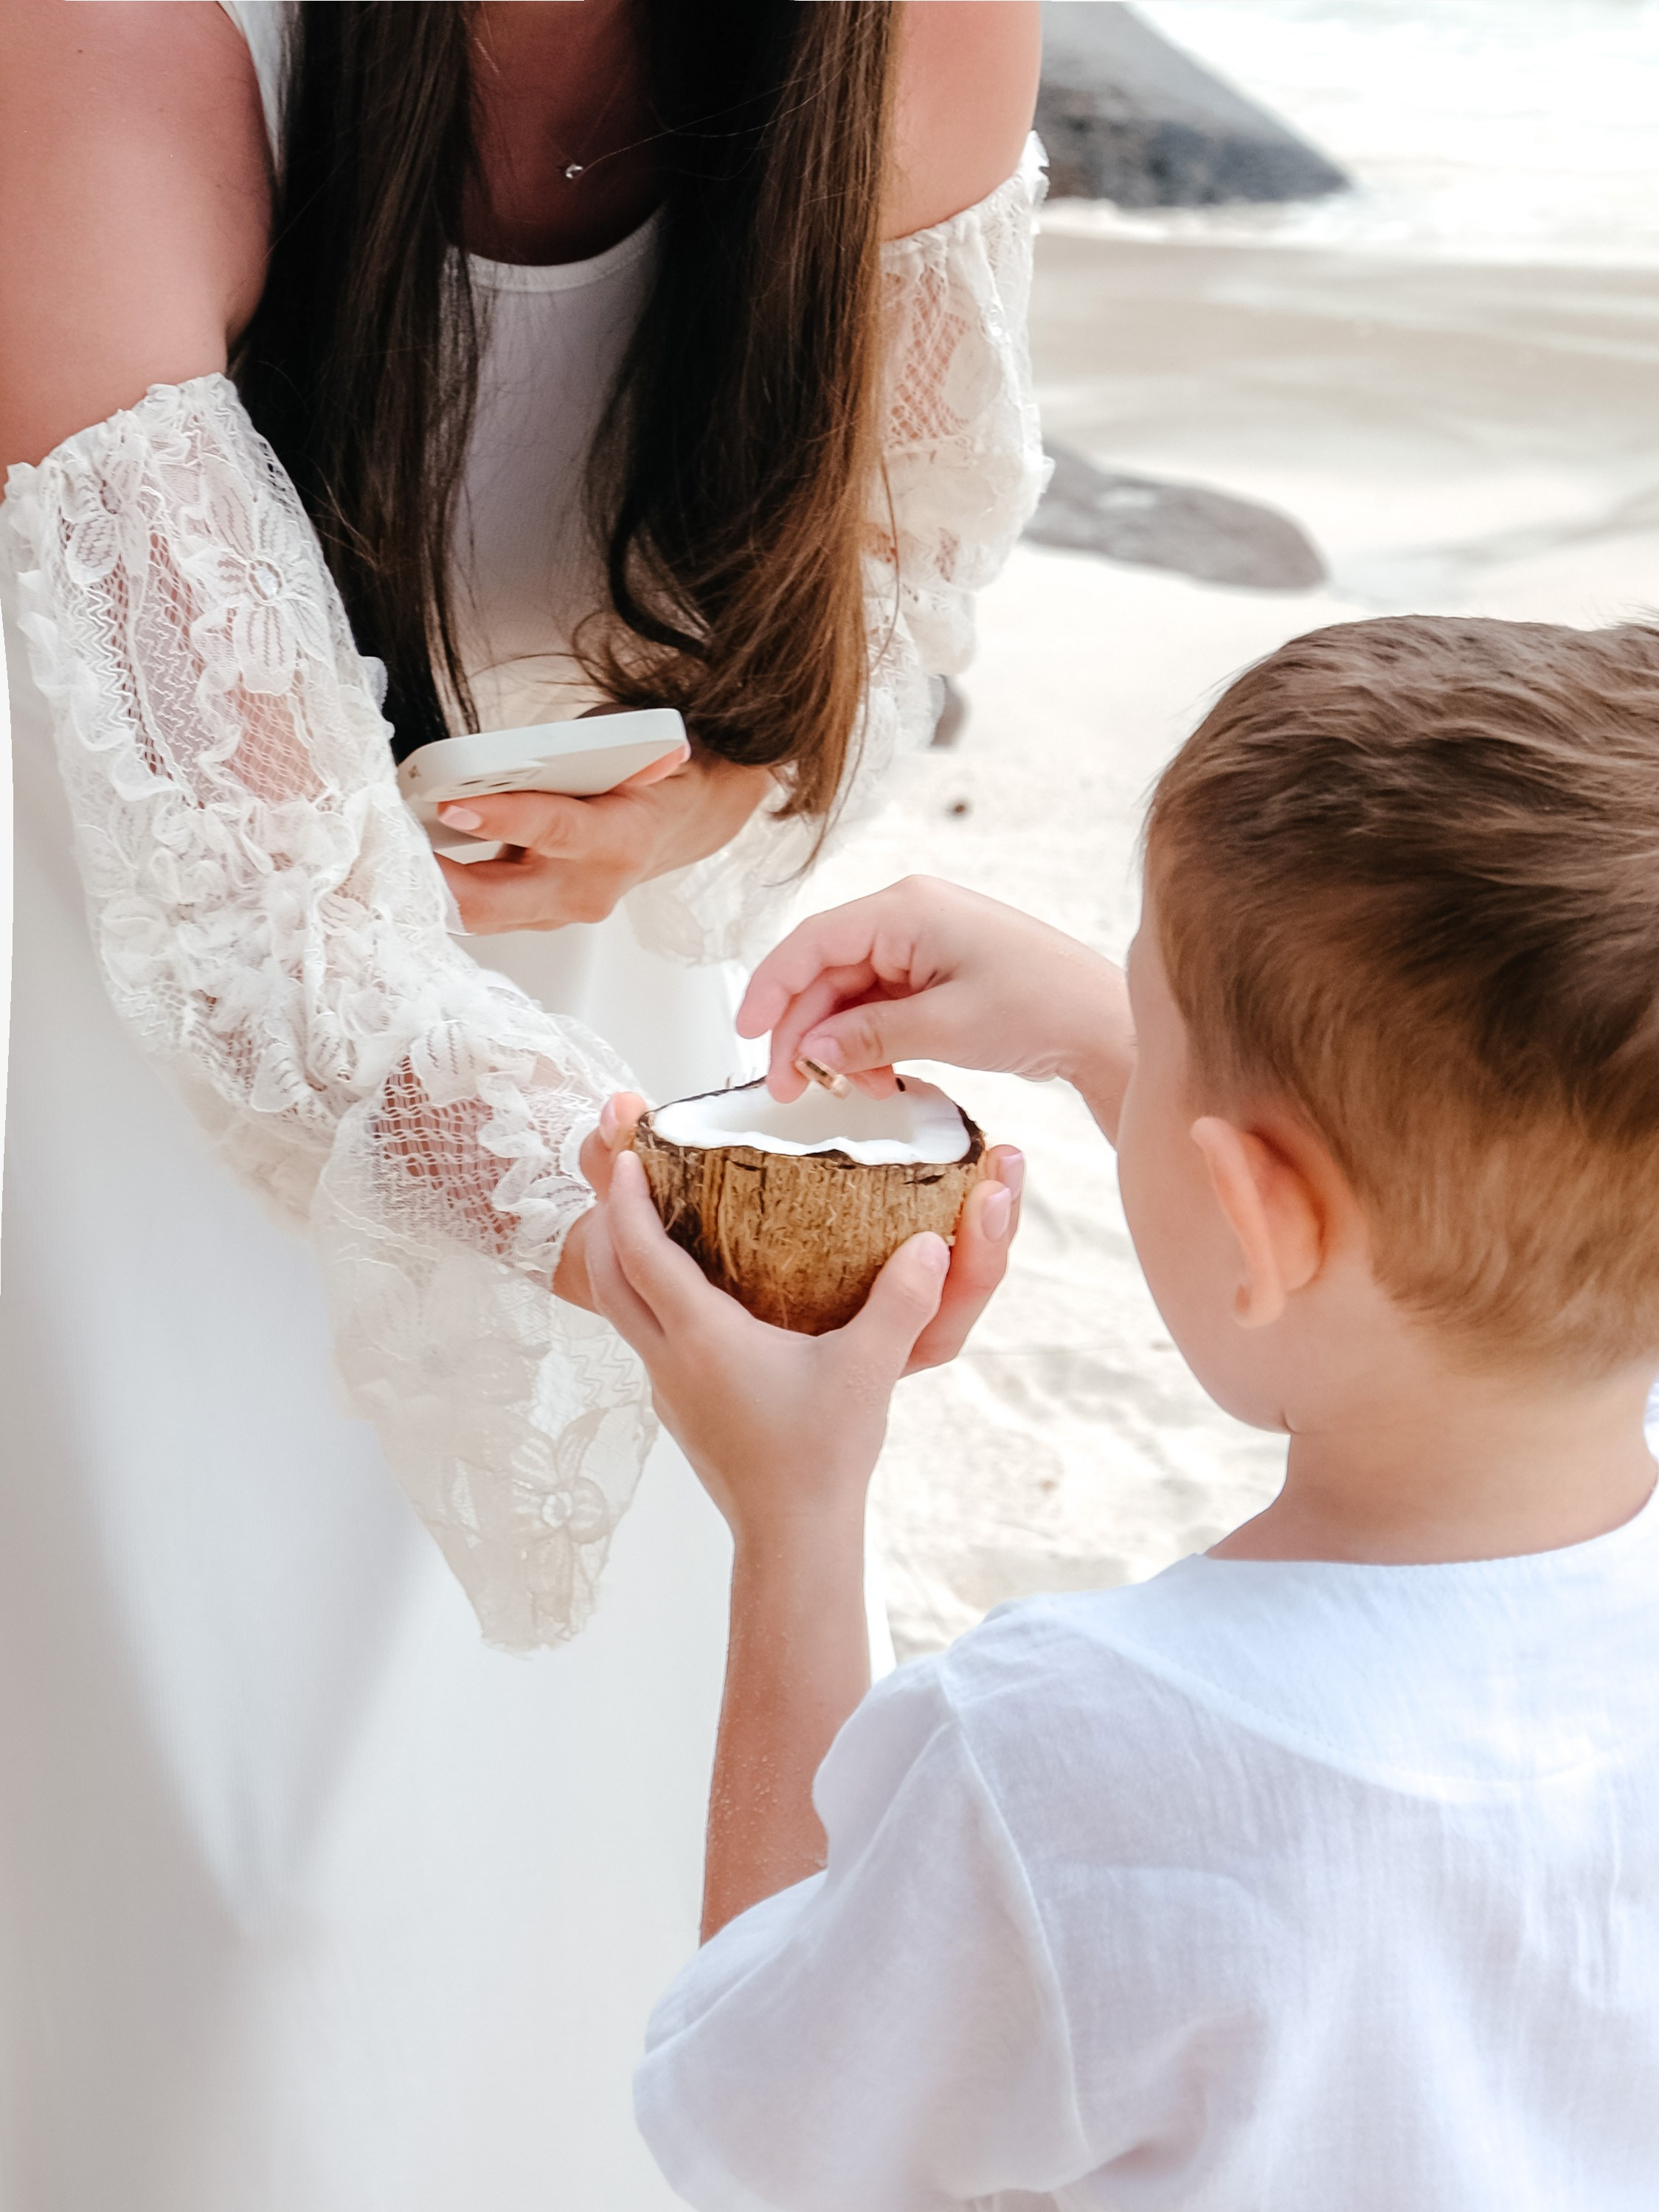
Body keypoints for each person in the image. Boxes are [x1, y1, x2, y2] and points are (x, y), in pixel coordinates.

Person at [0, 4, 1037, 2205]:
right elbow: (263, 934)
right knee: (236, 1951)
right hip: (129, 1090)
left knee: (566, 1948)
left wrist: (718, 794)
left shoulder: (912, 30)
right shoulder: (104, 44)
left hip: (603, 1099)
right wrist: (667, 1239)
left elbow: (895, 576)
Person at [592, 615, 1659, 2210]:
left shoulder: (1061, 1754)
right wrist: (1122, 1037)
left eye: (1152, 1046)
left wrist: (794, 1519)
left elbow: (774, 2130)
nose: (1128, 1050)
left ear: (1257, 1211)